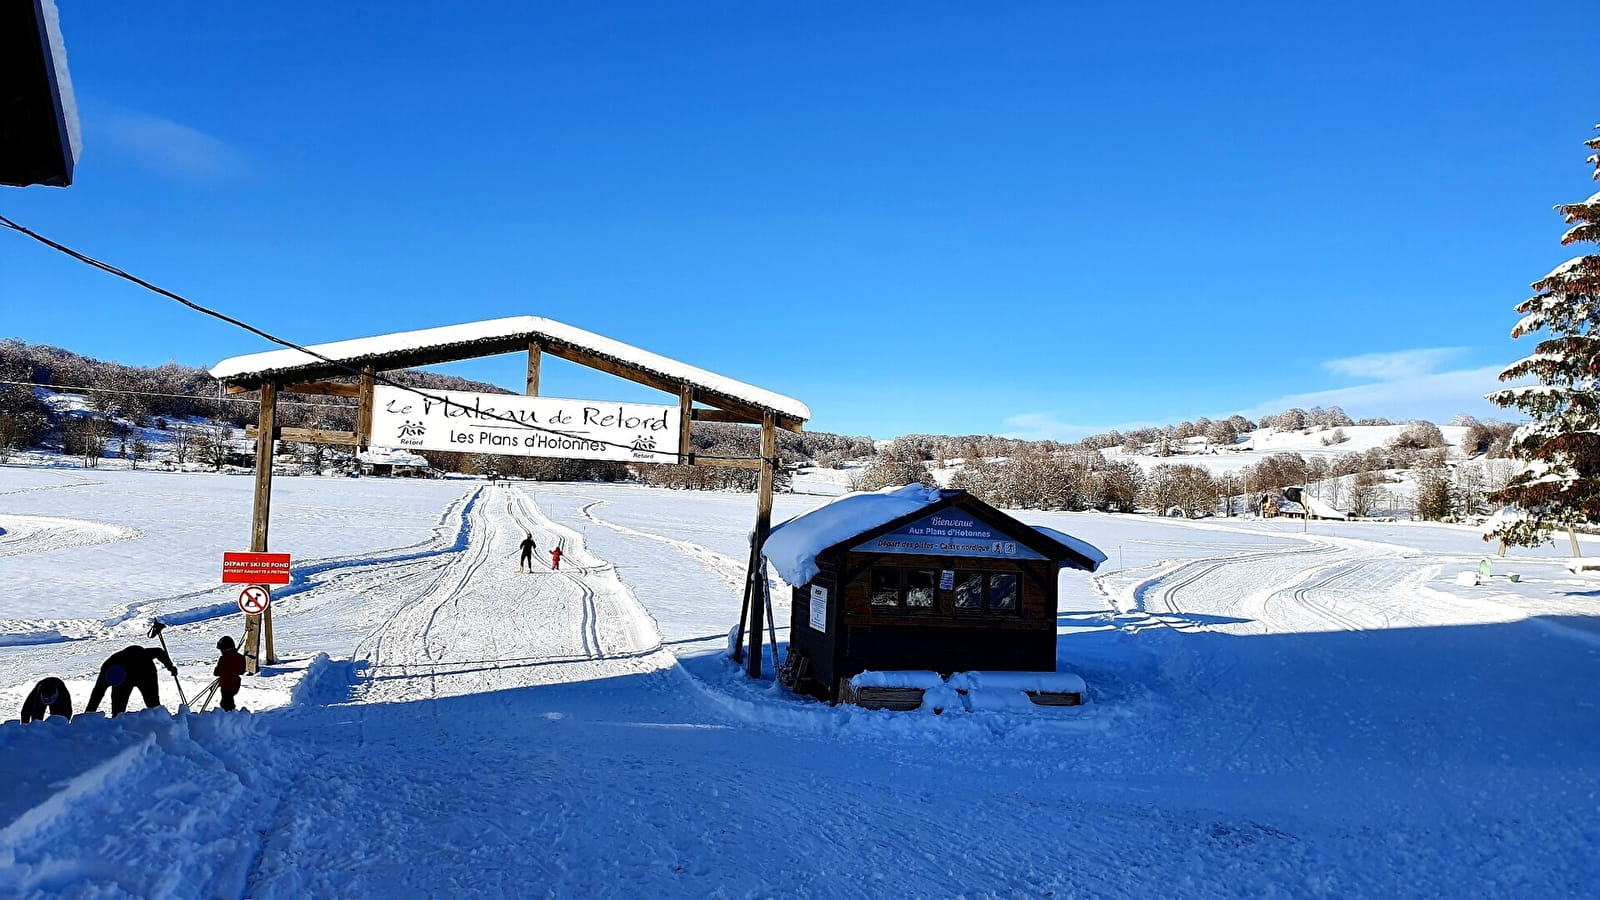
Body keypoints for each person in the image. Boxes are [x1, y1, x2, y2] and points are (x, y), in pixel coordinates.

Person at [84, 644, 177, 717]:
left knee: (153, 704)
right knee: (118, 711)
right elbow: (97, 694)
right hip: (124, 678)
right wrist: (87, 715)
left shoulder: (141, 656)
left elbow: (158, 651)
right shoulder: (107, 668)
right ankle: (117, 727)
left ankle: (160, 723)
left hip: (146, 674)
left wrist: (170, 667)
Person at [213, 635, 247, 711]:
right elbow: (242, 671)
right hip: (236, 685)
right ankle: (229, 714)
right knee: (228, 700)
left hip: (226, 686)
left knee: (226, 703)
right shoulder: (240, 657)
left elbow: (216, 673)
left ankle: (229, 716)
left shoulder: (224, 659)